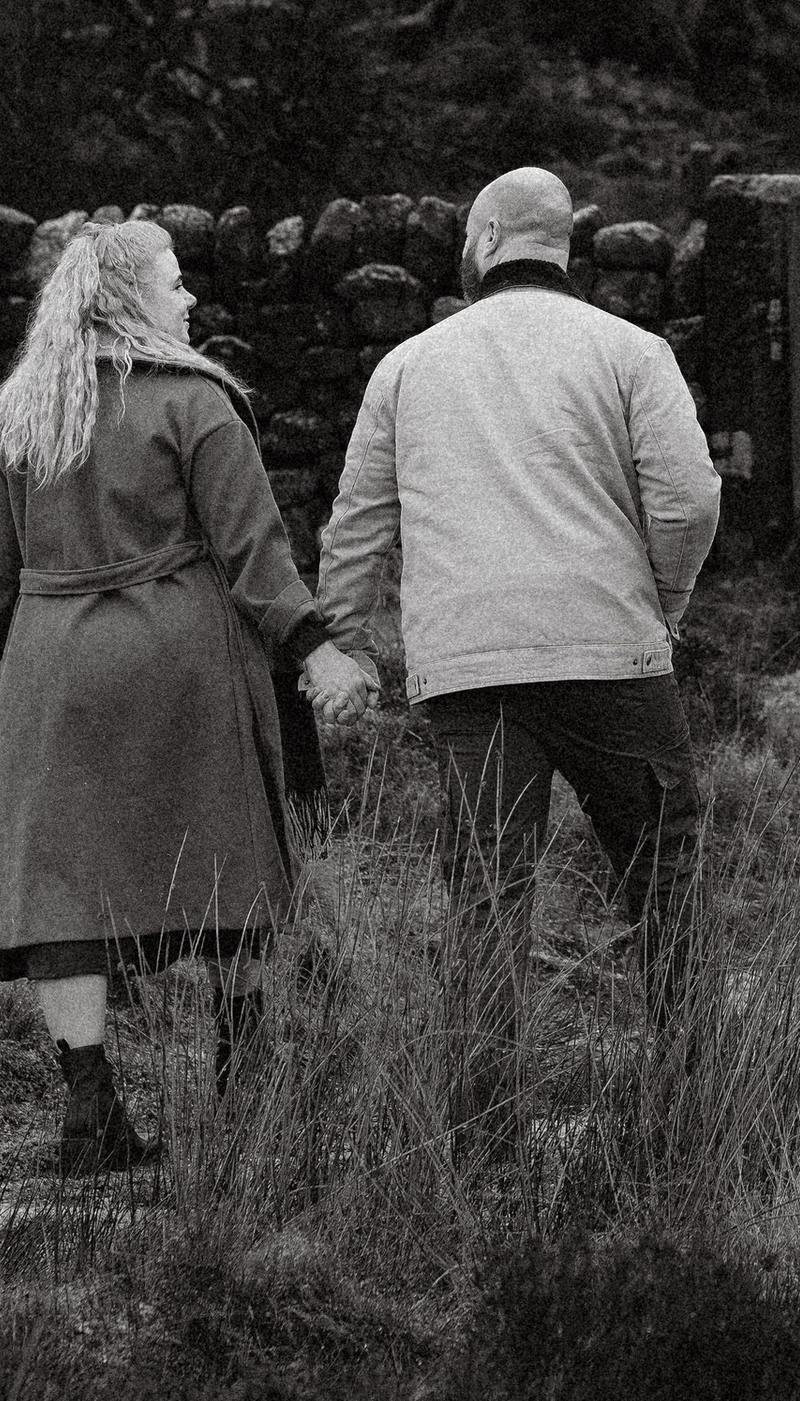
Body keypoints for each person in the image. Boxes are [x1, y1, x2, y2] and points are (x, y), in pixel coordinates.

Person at [0, 216, 366, 1176]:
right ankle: (245, 1086)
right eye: (175, 282)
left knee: (61, 889)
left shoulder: (23, 410)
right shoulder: (195, 401)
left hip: (55, 667)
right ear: (132, 297)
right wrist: (315, 647)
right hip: (183, 661)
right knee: (231, 863)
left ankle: (90, 1114)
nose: (190, 299)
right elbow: (256, 553)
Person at [309, 166, 722, 1122]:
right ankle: (699, 1106)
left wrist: (350, 640)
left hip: (468, 669)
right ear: (563, 245)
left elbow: (359, 523)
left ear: (484, 240)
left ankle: (482, 1133)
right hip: (610, 651)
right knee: (661, 875)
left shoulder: (408, 365)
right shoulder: (631, 350)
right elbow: (691, 499)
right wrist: (664, 597)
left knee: (487, 898)